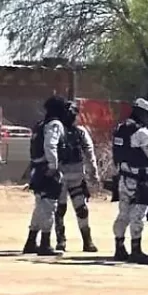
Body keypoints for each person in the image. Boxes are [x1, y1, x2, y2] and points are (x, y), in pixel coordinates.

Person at [111, 98, 148, 264]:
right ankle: (136, 251)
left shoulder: (120, 129)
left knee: (123, 214)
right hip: (140, 180)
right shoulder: (141, 132)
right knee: (138, 215)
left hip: (124, 178)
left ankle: (119, 248)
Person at [22, 95, 67, 256]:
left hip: (37, 169)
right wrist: (53, 166)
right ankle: (45, 244)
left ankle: (31, 241)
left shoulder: (40, 125)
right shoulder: (55, 125)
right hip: (46, 170)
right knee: (49, 207)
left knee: (40, 206)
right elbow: (50, 145)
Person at [54, 101, 100, 253]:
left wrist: (93, 171)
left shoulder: (80, 132)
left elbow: (89, 151)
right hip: (60, 176)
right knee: (59, 209)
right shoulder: (56, 131)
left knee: (81, 209)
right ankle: (61, 241)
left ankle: (87, 240)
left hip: (76, 177)